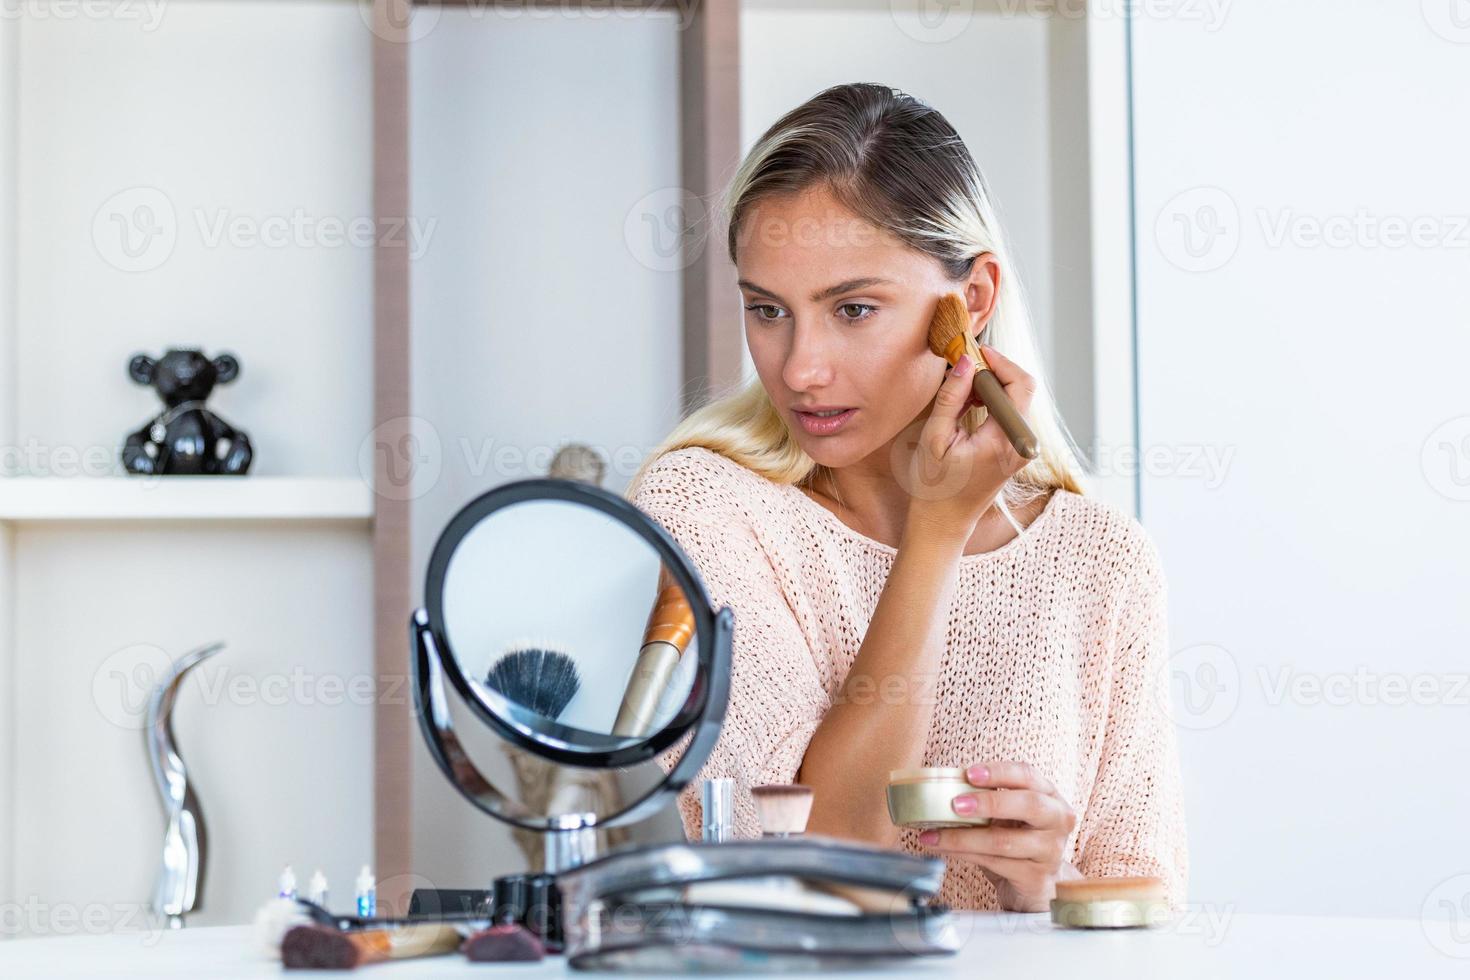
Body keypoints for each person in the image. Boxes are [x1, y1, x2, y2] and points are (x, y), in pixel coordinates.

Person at [625, 82, 1187, 912]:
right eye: (767, 309)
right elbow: (822, 864)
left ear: (973, 302)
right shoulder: (706, 506)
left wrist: (1045, 887)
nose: (799, 367)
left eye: (853, 309)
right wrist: (935, 532)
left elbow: (1145, 910)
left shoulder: (1102, 562)